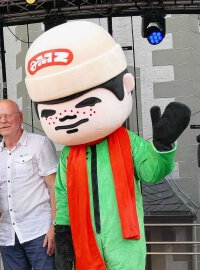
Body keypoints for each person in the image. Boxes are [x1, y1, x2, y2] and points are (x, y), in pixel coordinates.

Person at [24, 21, 191, 270]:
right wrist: (62, 233)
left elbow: (151, 171)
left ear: (125, 85)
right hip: (84, 241)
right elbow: (63, 196)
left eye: (84, 103)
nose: (68, 116)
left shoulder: (127, 141)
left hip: (124, 240)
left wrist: (162, 146)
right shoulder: (68, 155)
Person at [0, 99, 58, 270]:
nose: (3, 121)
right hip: (9, 237)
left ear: (20, 117)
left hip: (39, 233)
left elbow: (54, 187)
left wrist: (54, 226)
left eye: (8, 116)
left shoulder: (39, 144)